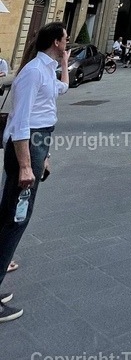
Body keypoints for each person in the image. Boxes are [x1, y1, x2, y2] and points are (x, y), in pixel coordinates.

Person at [0, 22, 70, 321]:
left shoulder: (46, 70)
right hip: (26, 146)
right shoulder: (32, 72)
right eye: (66, 39)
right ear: (56, 41)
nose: (68, 43)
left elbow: (62, 90)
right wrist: (28, 164)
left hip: (38, 142)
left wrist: (45, 154)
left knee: (9, 215)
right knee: (16, 218)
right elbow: (21, 123)